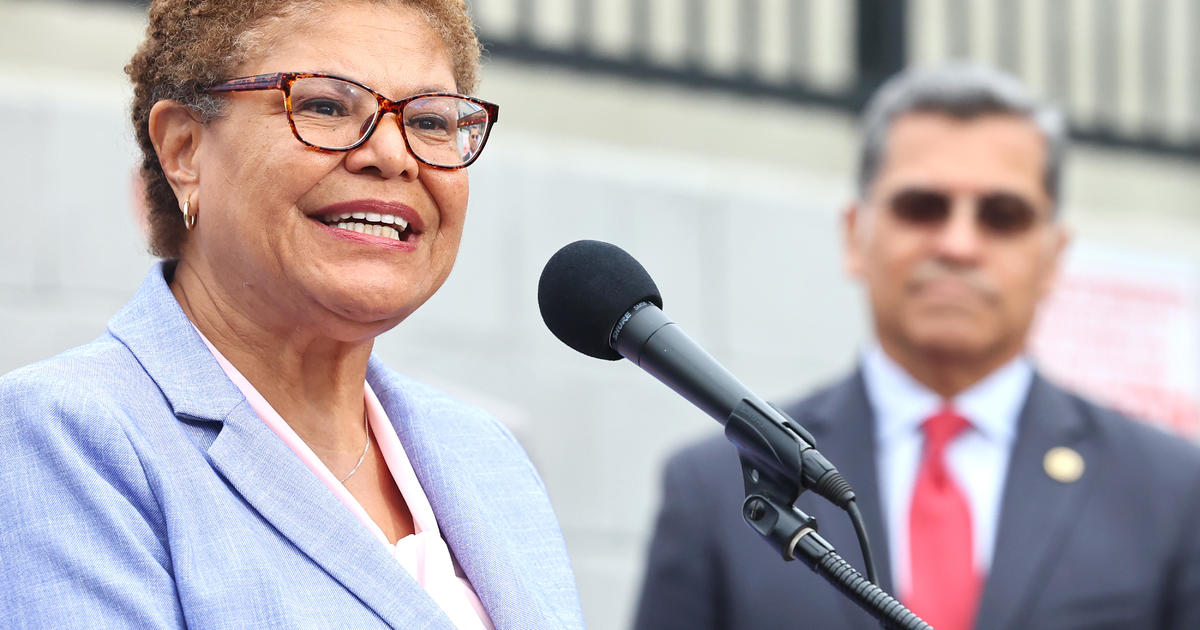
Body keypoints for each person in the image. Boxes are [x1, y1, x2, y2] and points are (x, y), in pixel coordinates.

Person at [0, 1, 584, 628]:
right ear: (184, 150)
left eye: (432, 120)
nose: (393, 155)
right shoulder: (68, 436)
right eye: (326, 107)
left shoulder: (486, 453)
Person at [633, 64, 1200, 630]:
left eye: (1002, 216)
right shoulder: (711, 489)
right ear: (855, 235)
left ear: (1054, 256)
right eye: (922, 207)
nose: (957, 243)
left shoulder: (1171, 491)